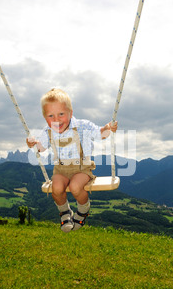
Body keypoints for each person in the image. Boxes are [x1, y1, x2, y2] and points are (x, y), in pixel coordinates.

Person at [26, 88, 118, 232]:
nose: (56, 119)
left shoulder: (82, 126)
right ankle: (65, 212)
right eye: (51, 116)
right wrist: (33, 144)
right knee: (56, 189)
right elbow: (41, 148)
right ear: (45, 118)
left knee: (76, 187)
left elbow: (100, 134)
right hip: (61, 169)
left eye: (61, 114)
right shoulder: (47, 132)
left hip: (82, 168)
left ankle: (83, 209)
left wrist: (108, 128)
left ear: (71, 113)